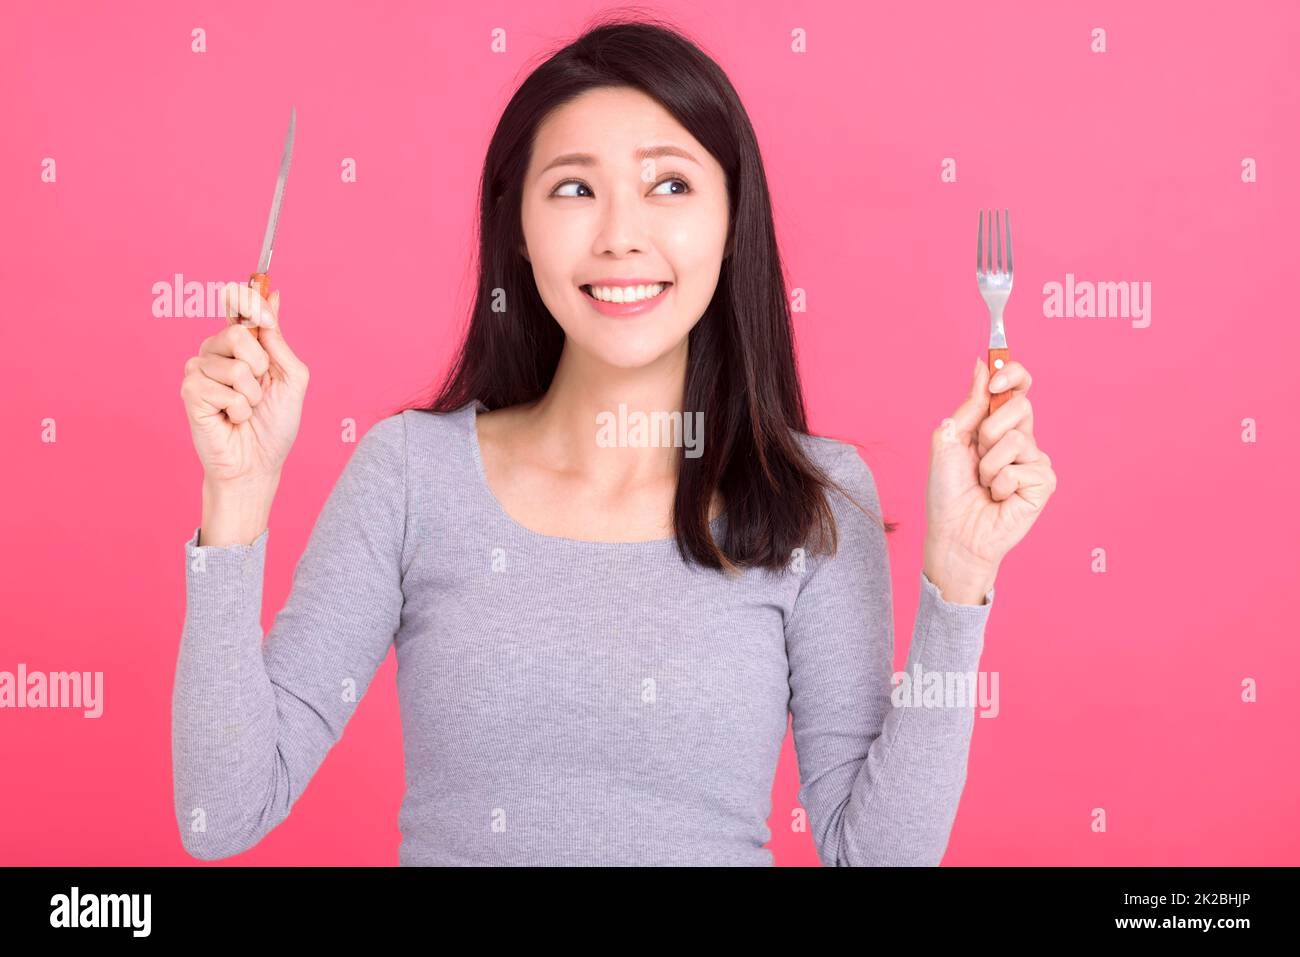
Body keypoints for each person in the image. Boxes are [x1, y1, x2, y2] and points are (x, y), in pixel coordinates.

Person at [173, 16, 1055, 866]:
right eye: (574, 187)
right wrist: (237, 498)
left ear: (731, 217)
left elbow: (875, 857)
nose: (621, 234)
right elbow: (225, 812)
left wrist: (962, 581)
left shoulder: (812, 499)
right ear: (517, 226)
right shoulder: (410, 474)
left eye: (669, 184)